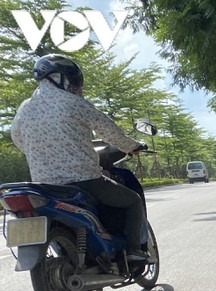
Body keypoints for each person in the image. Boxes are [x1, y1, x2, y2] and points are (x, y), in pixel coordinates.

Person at [10, 54, 149, 262]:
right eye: (72, 79)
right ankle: (132, 250)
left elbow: (18, 139)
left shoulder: (24, 108)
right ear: (58, 77)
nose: (75, 85)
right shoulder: (74, 103)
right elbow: (110, 131)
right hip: (84, 180)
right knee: (133, 200)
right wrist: (134, 146)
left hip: (44, 185)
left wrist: (42, 151)